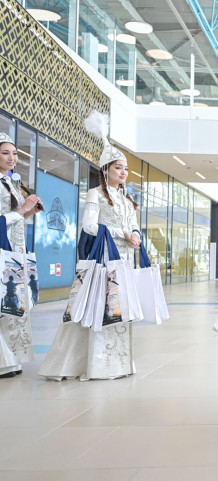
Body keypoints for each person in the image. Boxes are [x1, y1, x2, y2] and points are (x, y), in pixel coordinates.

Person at [40, 112, 140, 381]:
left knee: (120, 307)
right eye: (118, 168)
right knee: (99, 306)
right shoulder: (96, 194)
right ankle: (93, 363)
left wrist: (136, 235)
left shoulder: (127, 199)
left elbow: (133, 224)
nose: (123, 172)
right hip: (105, 259)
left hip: (125, 260)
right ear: (106, 170)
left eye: (126, 169)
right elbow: (89, 226)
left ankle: (118, 362)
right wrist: (121, 233)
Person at [0, 132, 43, 379]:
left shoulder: (12, 183)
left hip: (16, 252)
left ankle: (12, 359)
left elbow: (13, 218)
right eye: (5, 153)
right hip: (2, 251)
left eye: (15, 153)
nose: (12, 158)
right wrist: (21, 211)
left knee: (13, 306)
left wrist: (27, 213)